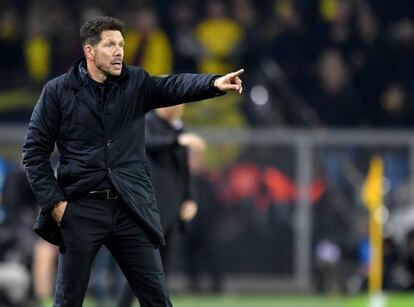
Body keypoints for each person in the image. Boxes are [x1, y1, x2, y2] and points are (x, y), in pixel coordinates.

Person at [22, 16, 243, 307]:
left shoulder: (135, 82)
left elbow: (172, 86)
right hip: (81, 208)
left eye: (122, 45)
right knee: (67, 301)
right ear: (89, 52)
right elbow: (34, 152)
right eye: (110, 44)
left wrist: (213, 82)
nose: (119, 51)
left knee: (157, 300)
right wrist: (55, 204)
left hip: (129, 208)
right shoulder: (57, 91)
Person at [118, 104, 204, 306]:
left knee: (162, 274)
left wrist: (191, 198)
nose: (179, 107)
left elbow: (183, 171)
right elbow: (149, 142)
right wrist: (179, 140)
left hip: (171, 213)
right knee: (140, 270)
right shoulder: (146, 122)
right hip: (147, 211)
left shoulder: (176, 128)